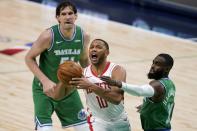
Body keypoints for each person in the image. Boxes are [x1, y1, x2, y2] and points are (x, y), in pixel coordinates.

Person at [25, 1, 90, 131]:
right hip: (45, 90)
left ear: (76, 16)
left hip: (69, 90)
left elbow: (83, 59)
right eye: (63, 14)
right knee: (45, 129)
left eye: (71, 13)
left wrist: (91, 79)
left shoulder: (83, 36)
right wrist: (45, 81)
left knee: (85, 128)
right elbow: (29, 58)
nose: (68, 17)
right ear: (58, 18)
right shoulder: (48, 36)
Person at [100, 53, 175, 131]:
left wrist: (117, 83)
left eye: (157, 64)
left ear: (167, 69)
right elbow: (170, 104)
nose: (152, 66)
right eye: (153, 62)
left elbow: (140, 91)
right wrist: (148, 106)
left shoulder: (157, 85)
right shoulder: (170, 85)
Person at [69, 39, 131, 131]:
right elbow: (64, 93)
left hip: (120, 120)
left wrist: (90, 85)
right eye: (91, 47)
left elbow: (116, 98)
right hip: (97, 121)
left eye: (98, 47)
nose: (94, 49)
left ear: (107, 52)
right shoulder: (83, 73)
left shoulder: (116, 70)